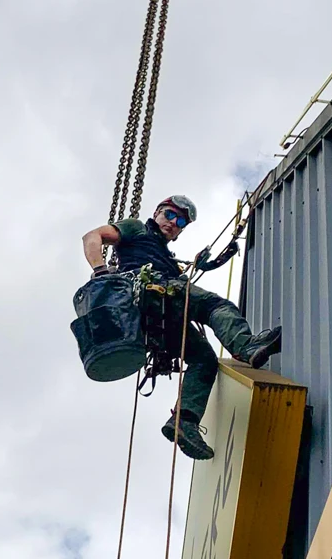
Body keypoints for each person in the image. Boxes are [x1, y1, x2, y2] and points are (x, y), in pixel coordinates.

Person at [81, 195, 282, 461]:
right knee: (213, 305)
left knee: (204, 360)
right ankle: (245, 346)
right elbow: (92, 236)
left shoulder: (167, 257)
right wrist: (100, 270)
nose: (173, 223)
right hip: (157, 294)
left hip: (159, 322)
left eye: (180, 222)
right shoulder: (136, 229)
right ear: (157, 213)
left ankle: (184, 422)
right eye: (169, 215)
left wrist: (208, 263)